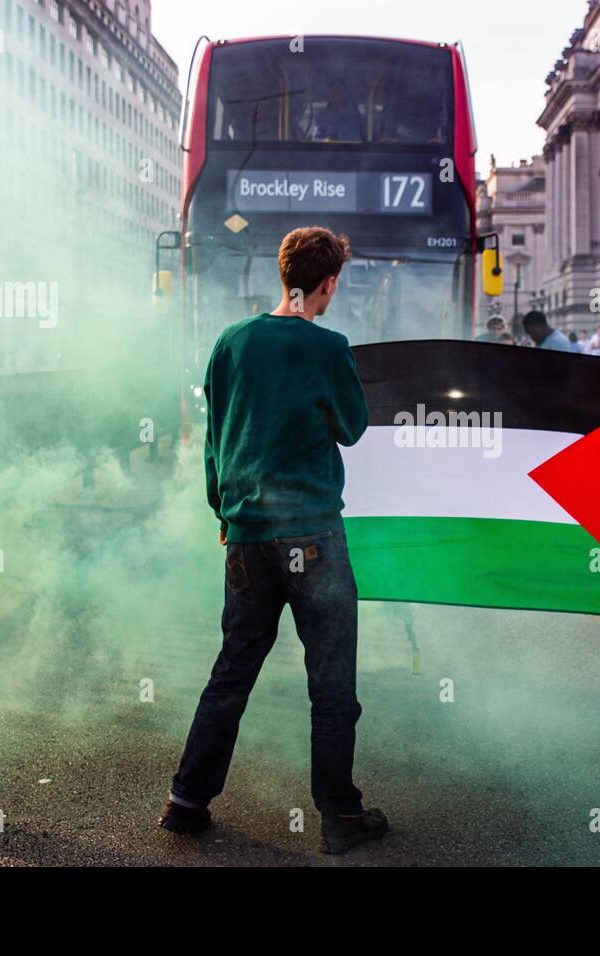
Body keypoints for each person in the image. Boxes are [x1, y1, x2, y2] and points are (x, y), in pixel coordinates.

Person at [161, 226, 388, 855]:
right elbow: (352, 429)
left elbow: (215, 441)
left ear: (279, 270)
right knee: (332, 683)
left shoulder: (230, 342)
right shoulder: (328, 345)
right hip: (311, 534)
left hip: (246, 538)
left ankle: (187, 801)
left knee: (232, 671)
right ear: (329, 283)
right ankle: (339, 816)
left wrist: (225, 514)